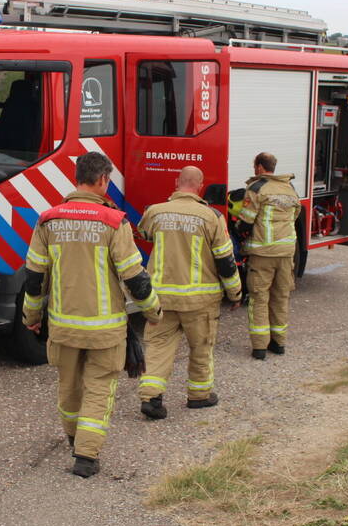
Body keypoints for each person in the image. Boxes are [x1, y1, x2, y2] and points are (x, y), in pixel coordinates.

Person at [22, 151, 161, 478]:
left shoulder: (48, 221)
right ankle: (86, 455)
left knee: (69, 388)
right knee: (99, 389)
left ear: (76, 178)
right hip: (106, 331)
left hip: (63, 328)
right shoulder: (114, 222)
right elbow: (134, 277)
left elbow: (34, 277)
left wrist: (31, 317)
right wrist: (153, 310)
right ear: (102, 180)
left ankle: (73, 438)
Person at [135, 166, 242, 419]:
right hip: (200, 300)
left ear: (176, 182)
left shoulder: (154, 212)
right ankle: (199, 396)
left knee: (158, 347)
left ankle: (151, 396)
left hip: (161, 298)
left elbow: (144, 234)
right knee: (201, 347)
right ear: (201, 185)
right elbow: (225, 260)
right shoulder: (212, 217)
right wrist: (235, 293)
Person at [234, 153, 301, 359]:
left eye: (255, 165)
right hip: (286, 252)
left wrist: (237, 233)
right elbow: (296, 214)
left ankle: (260, 347)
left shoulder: (256, 188)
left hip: (262, 253)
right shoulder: (290, 188)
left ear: (260, 167)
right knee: (281, 297)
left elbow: (246, 222)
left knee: (259, 298)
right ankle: (279, 343)